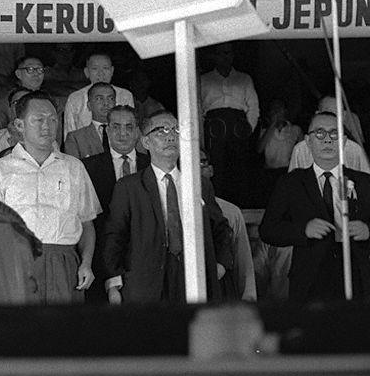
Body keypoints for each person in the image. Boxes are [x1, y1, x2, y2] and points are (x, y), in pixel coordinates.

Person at [102, 110, 233, 304]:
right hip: (145, 281)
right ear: (145, 142)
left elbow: (220, 228)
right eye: (161, 131)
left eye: (176, 130)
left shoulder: (199, 184)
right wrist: (114, 283)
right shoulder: (129, 186)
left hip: (193, 277)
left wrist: (220, 265)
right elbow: (114, 236)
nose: (170, 136)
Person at [0, 91, 100, 304]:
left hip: (64, 263)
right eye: (38, 120)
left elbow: (87, 223)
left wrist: (86, 263)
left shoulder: (73, 167)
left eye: (52, 119)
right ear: (19, 125)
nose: (47, 126)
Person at [260, 111, 370, 303]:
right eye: (320, 133)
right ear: (307, 142)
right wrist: (303, 230)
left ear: (344, 141)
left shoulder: (364, 182)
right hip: (309, 281)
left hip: (358, 279)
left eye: (334, 133)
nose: (327, 140)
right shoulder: (291, 183)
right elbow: (268, 230)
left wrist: (368, 230)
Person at [81, 104, 149, 303]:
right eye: (116, 126)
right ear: (107, 130)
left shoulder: (153, 165)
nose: (123, 133)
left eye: (129, 127)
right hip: (102, 260)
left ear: (138, 131)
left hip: (147, 259)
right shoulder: (87, 167)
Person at [200, 43, 259, 205]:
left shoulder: (244, 78)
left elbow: (253, 107)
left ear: (233, 55)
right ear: (215, 56)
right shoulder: (204, 79)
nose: (224, 57)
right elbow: (198, 110)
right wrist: (201, 137)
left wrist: (248, 129)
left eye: (228, 53)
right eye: (220, 53)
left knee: (240, 167)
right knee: (216, 167)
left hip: (238, 124)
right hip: (214, 125)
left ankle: (241, 207)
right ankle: (217, 206)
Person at [200, 149, 257, 302]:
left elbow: (243, 264)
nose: (196, 169)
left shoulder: (230, 212)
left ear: (211, 170)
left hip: (222, 289)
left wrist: (248, 297)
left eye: (201, 163)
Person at [63, 53, 134, 139]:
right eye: (95, 69)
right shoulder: (75, 98)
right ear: (87, 72)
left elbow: (131, 128)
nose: (101, 73)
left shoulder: (125, 96)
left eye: (105, 68)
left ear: (112, 71)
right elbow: (69, 133)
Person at [64, 82, 116, 160]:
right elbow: (74, 169)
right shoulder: (75, 138)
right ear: (89, 105)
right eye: (99, 98)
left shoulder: (128, 132)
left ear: (115, 104)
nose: (106, 103)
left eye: (110, 98)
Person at [0, 87, 30, 162]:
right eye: (17, 102)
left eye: (26, 102)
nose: (21, 106)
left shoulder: (46, 138)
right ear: (9, 109)